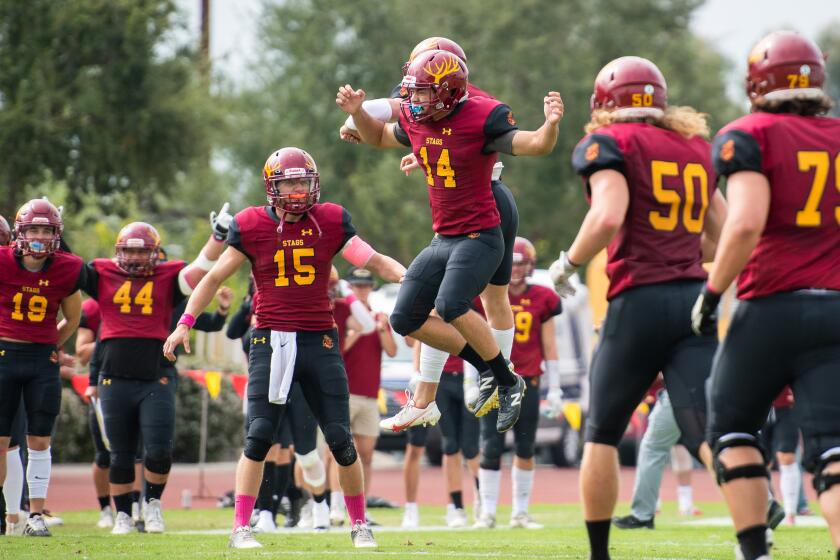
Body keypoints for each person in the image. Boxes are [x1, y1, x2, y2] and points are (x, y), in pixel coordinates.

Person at [163, 147, 406, 550]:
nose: (297, 189)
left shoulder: (330, 219)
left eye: (302, 181)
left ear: (314, 183)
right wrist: (184, 323)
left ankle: (359, 522)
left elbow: (374, 260)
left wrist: (410, 278)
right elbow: (211, 278)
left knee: (341, 440)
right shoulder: (251, 225)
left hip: (319, 339)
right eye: (289, 182)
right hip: (270, 339)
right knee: (258, 437)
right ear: (272, 187)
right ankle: (242, 525)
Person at [548, 56, 727, 560]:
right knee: (712, 430)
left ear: (605, 101)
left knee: (601, 433)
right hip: (694, 298)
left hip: (639, 299)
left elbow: (607, 217)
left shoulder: (609, 144)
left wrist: (567, 262)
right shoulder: (695, 147)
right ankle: (756, 534)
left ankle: (600, 553)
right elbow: (722, 237)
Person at [337, 48, 563, 434]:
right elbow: (376, 136)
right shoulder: (416, 112)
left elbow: (536, 145)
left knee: (451, 303)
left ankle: (505, 380)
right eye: (415, 91)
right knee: (405, 317)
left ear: (447, 92)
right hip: (445, 236)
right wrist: (358, 111)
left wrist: (551, 124)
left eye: (424, 92)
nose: (414, 100)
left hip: (480, 234)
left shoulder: (481, 115)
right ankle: (495, 372)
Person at [692, 31, 840, 560]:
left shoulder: (748, 134)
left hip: (773, 305)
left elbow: (746, 222)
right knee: (831, 453)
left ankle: (754, 551)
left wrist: (712, 293)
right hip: (836, 305)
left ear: (757, 82)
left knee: (730, 428)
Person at [80, 208, 228, 535]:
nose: (134, 257)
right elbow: (65, 266)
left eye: (141, 250)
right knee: (119, 453)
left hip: (156, 375)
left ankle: (153, 504)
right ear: (118, 252)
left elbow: (199, 271)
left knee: (159, 449)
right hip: (113, 376)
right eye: (129, 250)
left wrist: (217, 237)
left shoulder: (167, 277)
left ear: (155, 253)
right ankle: (122, 515)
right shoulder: (102, 273)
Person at [0, 199, 84, 537]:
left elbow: (73, 317)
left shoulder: (67, 267)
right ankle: (8, 514)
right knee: (2, 440)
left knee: (39, 439)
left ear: (57, 233)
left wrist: (52, 343)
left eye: (46, 229)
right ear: (20, 232)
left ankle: (35, 515)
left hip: (41, 361)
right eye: (33, 228)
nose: (39, 235)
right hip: (4, 355)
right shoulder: (3, 261)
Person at [474, 237, 562, 529]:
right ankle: (487, 512)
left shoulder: (544, 298)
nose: (515, 270)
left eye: (521, 263)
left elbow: (550, 346)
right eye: (512, 263)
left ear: (530, 266)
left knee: (526, 448)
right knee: (490, 447)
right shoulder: (488, 294)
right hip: (496, 381)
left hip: (530, 382)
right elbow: (470, 338)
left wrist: (556, 387)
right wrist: (469, 380)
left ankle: (520, 513)